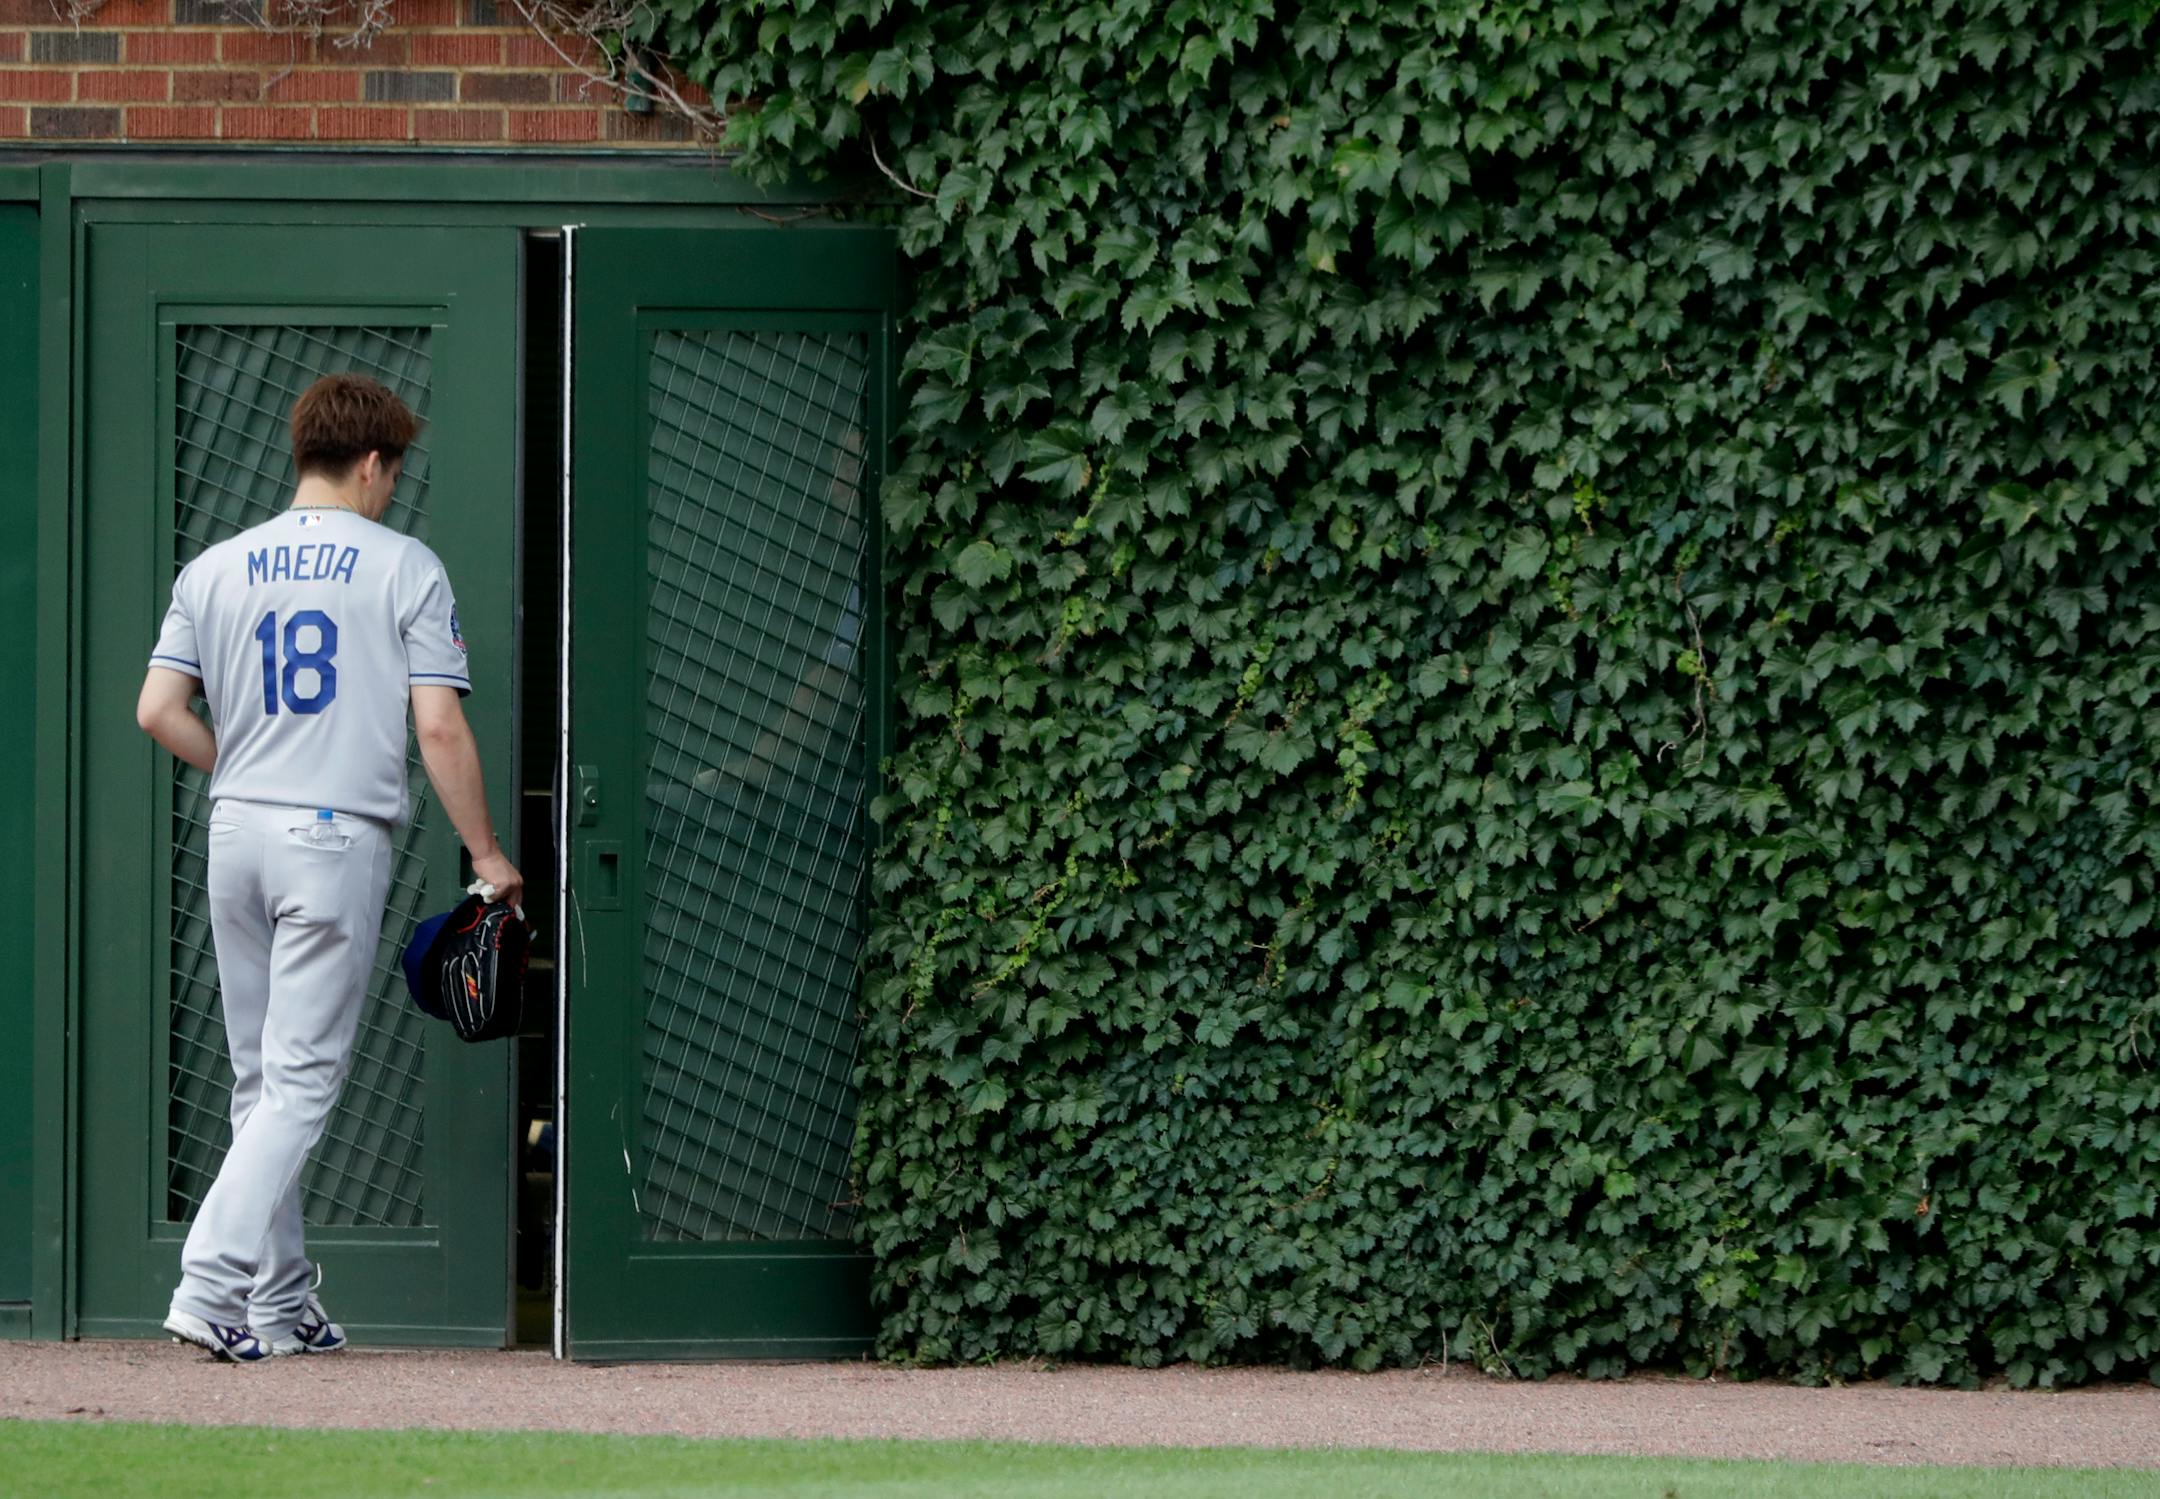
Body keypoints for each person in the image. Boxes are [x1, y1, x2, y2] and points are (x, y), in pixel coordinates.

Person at [136, 373, 523, 1363]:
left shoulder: (215, 566)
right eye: (392, 470)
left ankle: (283, 1295)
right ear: (372, 462)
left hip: (237, 833)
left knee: (261, 1076)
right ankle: (210, 1284)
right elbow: (438, 723)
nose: (391, 486)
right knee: (301, 1083)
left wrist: (249, 762)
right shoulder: (403, 565)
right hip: (330, 835)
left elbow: (158, 712)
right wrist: (485, 853)